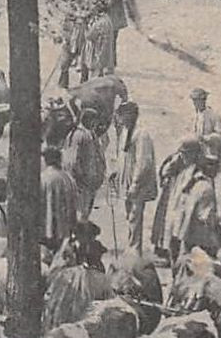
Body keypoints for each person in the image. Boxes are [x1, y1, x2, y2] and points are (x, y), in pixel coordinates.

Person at [113, 101, 156, 253]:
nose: (119, 119)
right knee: (129, 215)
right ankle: (131, 245)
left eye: (121, 116)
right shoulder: (125, 131)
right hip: (126, 181)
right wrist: (116, 172)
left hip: (138, 184)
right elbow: (122, 156)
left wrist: (135, 184)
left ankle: (135, 248)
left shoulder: (142, 134)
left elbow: (144, 162)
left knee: (135, 216)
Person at [170, 149, 221, 258]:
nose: (216, 170)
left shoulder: (194, 181)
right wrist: (220, 221)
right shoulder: (206, 187)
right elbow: (206, 217)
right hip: (201, 238)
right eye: (213, 166)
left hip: (188, 234)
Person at [63, 106, 106, 223]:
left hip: (91, 184)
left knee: (85, 214)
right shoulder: (78, 135)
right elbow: (72, 161)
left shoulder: (91, 134)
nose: (95, 124)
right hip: (81, 184)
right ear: (87, 120)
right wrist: (80, 178)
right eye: (93, 121)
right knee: (80, 215)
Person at [40, 146, 77, 256]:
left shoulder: (43, 178)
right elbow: (73, 205)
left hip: (46, 228)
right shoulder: (67, 178)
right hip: (64, 229)